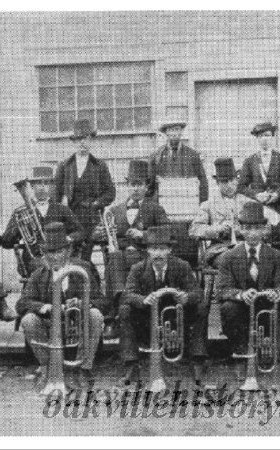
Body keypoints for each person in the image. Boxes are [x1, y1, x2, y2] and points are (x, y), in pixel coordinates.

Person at [16, 222, 108, 389]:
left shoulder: (83, 269)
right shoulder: (39, 273)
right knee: (28, 319)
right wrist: (45, 307)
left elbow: (103, 302)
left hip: (78, 324)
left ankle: (82, 368)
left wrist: (84, 303)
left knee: (96, 315)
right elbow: (22, 303)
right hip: (50, 323)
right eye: (50, 252)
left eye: (59, 252)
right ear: (44, 254)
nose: (54, 257)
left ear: (68, 251)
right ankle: (46, 367)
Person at [118, 225, 208, 386]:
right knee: (125, 309)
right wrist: (144, 300)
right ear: (147, 251)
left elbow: (198, 292)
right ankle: (131, 363)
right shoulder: (137, 268)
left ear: (170, 250)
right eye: (153, 249)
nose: (158, 253)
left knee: (201, 307)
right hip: (148, 318)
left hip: (175, 317)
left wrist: (186, 297)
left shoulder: (182, 266)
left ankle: (197, 359)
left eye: (162, 249)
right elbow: (128, 294)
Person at [92, 160, 168, 338]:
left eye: (139, 184)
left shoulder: (156, 209)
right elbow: (99, 237)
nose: (135, 189)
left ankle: (120, 302)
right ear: (127, 185)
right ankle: (112, 317)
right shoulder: (114, 210)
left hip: (146, 256)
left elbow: (167, 232)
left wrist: (143, 235)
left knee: (115, 261)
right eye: (132, 184)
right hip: (121, 256)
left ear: (147, 186)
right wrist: (99, 234)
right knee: (116, 258)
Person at [216, 202, 280, 362]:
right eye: (247, 228)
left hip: (267, 307)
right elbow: (221, 290)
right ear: (240, 229)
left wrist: (277, 293)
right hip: (242, 310)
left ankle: (276, 353)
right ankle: (241, 352)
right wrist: (240, 295)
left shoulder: (276, 255)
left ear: (264, 229)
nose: (252, 233)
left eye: (257, 228)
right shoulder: (229, 256)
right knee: (227, 307)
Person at [2, 166, 84, 277]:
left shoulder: (62, 209)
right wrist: (18, 227)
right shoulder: (20, 213)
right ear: (32, 186)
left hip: (59, 256)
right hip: (33, 260)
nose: (42, 187)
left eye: (46, 183)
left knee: (81, 266)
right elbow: (6, 242)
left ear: (51, 187)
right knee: (46, 266)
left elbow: (80, 232)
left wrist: (67, 238)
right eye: (38, 183)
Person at [54, 119, 116, 262]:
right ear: (74, 142)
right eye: (79, 139)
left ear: (91, 141)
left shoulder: (99, 165)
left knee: (86, 256)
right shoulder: (64, 166)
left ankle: (86, 275)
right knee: (70, 253)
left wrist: (96, 204)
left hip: (92, 218)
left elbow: (110, 192)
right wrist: (62, 208)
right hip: (70, 217)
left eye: (86, 138)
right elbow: (56, 193)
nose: (82, 142)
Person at [190, 157, 265, 268]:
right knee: (233, 260)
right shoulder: (208, 205)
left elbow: (265, 228)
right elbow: (194, 230)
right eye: (224, 182)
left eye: (232, 180)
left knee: (255, 260)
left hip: (247, 246)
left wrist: (242, 230)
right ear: (217, 183)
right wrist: (217, 229)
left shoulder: (248, 203)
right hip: (220, 250)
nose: (229, 185)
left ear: (237, 180)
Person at [237, 122, 280, 218]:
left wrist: (278, 195)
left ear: (272, 137)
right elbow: (241, 187)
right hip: (257, 210)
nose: (264, 139)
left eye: (267, 135)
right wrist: (256, 195)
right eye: (261, 136)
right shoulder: (249, 161)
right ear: (257, 139)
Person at [148, 121, 208, 204]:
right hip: (163, 205)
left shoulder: (193, 155)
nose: (174, 133)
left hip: (188, 203)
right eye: (171, 130)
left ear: (181, 132)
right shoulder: (156, 156)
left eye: (177, 129)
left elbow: (203, 184)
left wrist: (202, 206)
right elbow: (150, 187)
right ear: (166, 132)